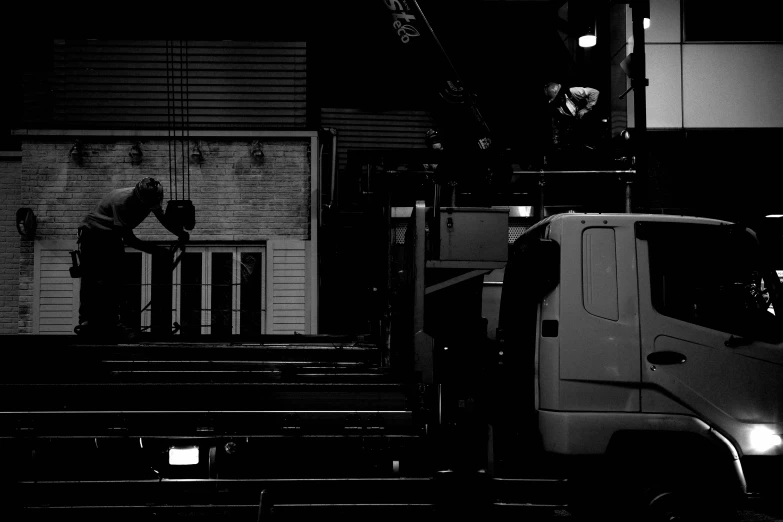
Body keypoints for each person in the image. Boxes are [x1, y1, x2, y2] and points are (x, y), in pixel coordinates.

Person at [74, 177, 190, 338]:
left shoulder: (151, 197)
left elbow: (162, 217)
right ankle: (88, 322)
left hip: (112, 235)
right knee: (93, 278)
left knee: (116, 278)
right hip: (93, 234)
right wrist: (157, 251)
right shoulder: (122, 202)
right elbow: (129, 239)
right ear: (139, 198)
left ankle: (113, 321)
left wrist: (180, 233)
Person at [543, 82, 600, 161]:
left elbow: (594, 92)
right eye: (556, 99)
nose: (559, 99)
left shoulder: (573, 91)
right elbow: (555, 124)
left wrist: (586, 109)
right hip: (575, 129)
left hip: (590, 122)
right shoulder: (554, 108)